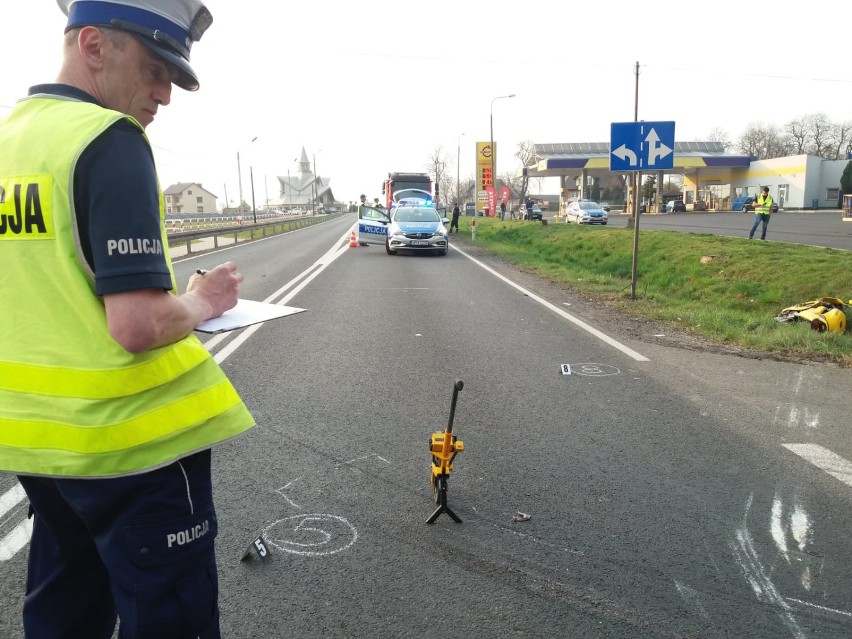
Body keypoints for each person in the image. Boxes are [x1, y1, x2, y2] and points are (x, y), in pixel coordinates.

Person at [0, 1, 255, 637]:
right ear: (93, 46)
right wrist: (203, 301)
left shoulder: (9, 142)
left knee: (65, 612)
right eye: (153, 70)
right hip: (133, 453)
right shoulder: (108, 141)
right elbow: (137, 325)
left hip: (42, 450)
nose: (163, 96)